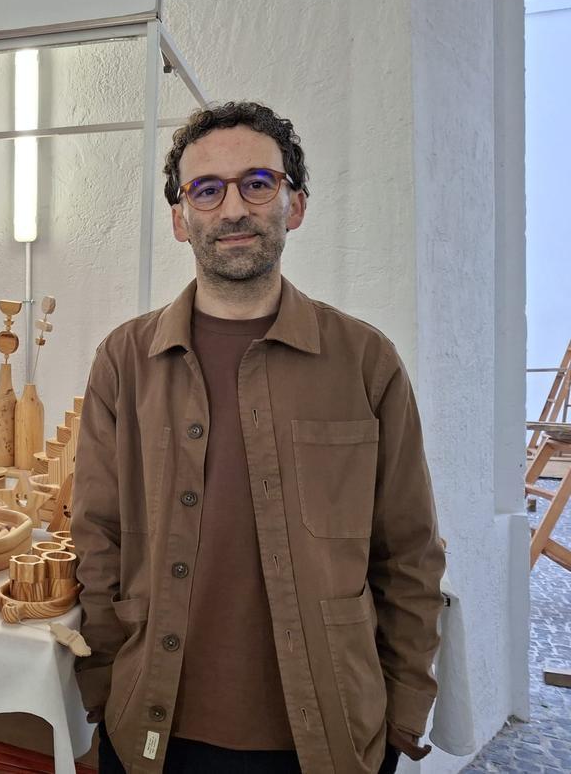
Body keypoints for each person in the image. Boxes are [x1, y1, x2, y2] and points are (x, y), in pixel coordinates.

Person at [71, 102, 445, 774]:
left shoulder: (365, 362)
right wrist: (102, 683)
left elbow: (410, 553)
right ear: (181, 220)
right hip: (152, 727)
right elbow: (98, 537)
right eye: (206, 190)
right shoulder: (123, 361)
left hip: (327, 733)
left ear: (293, 206)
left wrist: (405, 709)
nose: (233, 208)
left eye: (257, 183)